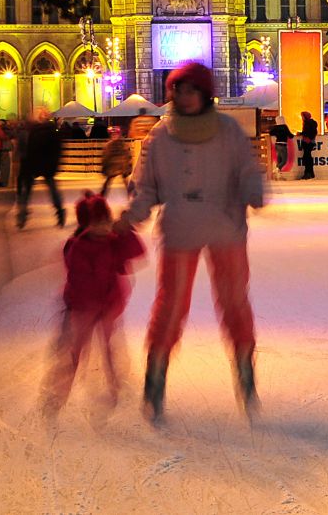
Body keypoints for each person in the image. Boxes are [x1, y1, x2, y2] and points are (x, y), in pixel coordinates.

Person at [123, 61, 268, 423]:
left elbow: (246, 169)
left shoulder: (228, 131)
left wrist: (254, 190)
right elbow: (146, 187)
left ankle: (244, 368)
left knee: (234, 299)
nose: (184, 97)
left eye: (191, 90)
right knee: (171, 304)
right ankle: (155, 375)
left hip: (224, 226)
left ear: (205, 93)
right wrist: (130, 216)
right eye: (179, 90)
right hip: (181, 229)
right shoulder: (160, 136)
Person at [44, 193, 145, 413]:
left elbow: (137, 252)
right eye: (97, 222)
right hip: (84, 308)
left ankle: (113, 388)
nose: (103, 226)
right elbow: (79, 280)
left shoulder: (113, 243)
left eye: (106, 220)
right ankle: (57, 393)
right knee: (75, 350)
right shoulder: (77, 247)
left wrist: (126, 231)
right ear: (85, 226)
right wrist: (82, 307)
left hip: (108, 306)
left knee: (109, 349)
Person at [18, 108, 65, 229]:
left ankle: (22, 214)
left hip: (32, 164)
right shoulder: (51, 130)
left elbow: (27, 149)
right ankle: (59, 212)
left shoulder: (32, 131)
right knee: (52, 190)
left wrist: (25, 165)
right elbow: (57, 149)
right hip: (46, 165)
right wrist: (54, 164)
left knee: (27, 191)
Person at [296, 111, 318, 180]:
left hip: (308, 142)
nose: (302, 118)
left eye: (302, 116)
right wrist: (301, 133)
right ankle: (310, 173)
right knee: (307, 157)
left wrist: (309, 138)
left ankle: (308, 173)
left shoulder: (308, 123)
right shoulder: (309, 123)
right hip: (308, 141)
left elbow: (313, 132)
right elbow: (308, 132)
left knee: (307, 157)